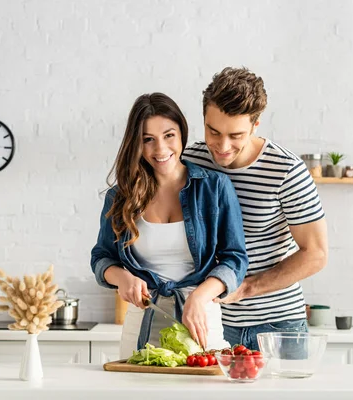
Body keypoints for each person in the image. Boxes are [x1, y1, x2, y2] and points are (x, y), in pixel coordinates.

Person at [91, 92, 248, 358]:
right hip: (141, 324)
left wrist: (199, 297)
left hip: (201, 322)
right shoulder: (119, 197)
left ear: (182, 134)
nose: (161, 149)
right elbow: (101, 257)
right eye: (148, 140)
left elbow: (235, 259)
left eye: (169, 135)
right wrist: (122, 277)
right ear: (136, 144)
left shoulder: (214, 188)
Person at [182, 67, 328, 351]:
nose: (222, 146)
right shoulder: (191, 160)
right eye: (213, 131)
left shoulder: (286, 170)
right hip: (209, 322)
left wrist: (247, 287)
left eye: (236, 135)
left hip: (277, 326)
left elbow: (316, 254)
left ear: (255, 125)